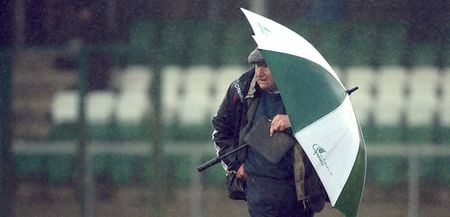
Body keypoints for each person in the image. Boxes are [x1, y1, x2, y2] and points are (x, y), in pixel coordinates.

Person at [212, 49, 328, 217]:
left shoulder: (307, 92)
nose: (260, 72)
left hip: (301, 191)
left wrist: (293, 121)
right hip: (260, 189)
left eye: (267, 66)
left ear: (283, 67)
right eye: (258, 65)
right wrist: (234, 164)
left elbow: (326, 128)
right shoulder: (241, 90)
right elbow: (221, 130)